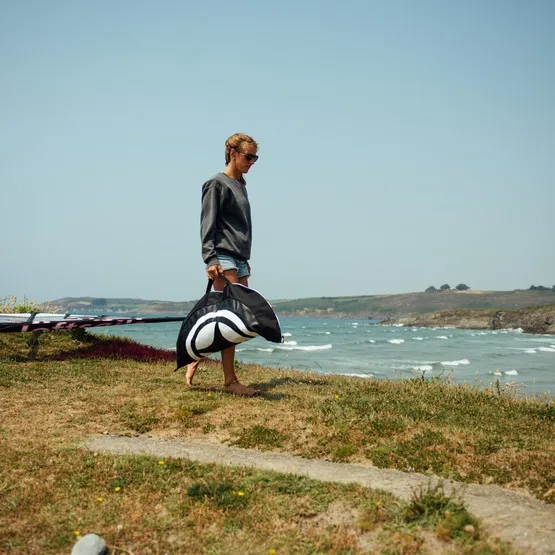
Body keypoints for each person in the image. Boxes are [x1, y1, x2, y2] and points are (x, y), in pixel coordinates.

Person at [185, 133, 260, 396]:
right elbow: (208, 223)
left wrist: (245, 259)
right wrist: (210, 258)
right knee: (233, 315)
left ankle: (198, 354)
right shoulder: (216, 184)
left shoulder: (240, 185)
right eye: (248, 157)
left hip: (240, 258)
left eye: (255, 158)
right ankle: (230, 381)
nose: (252, 162)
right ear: (233, 153)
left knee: (239, 315)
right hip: (223, 256)